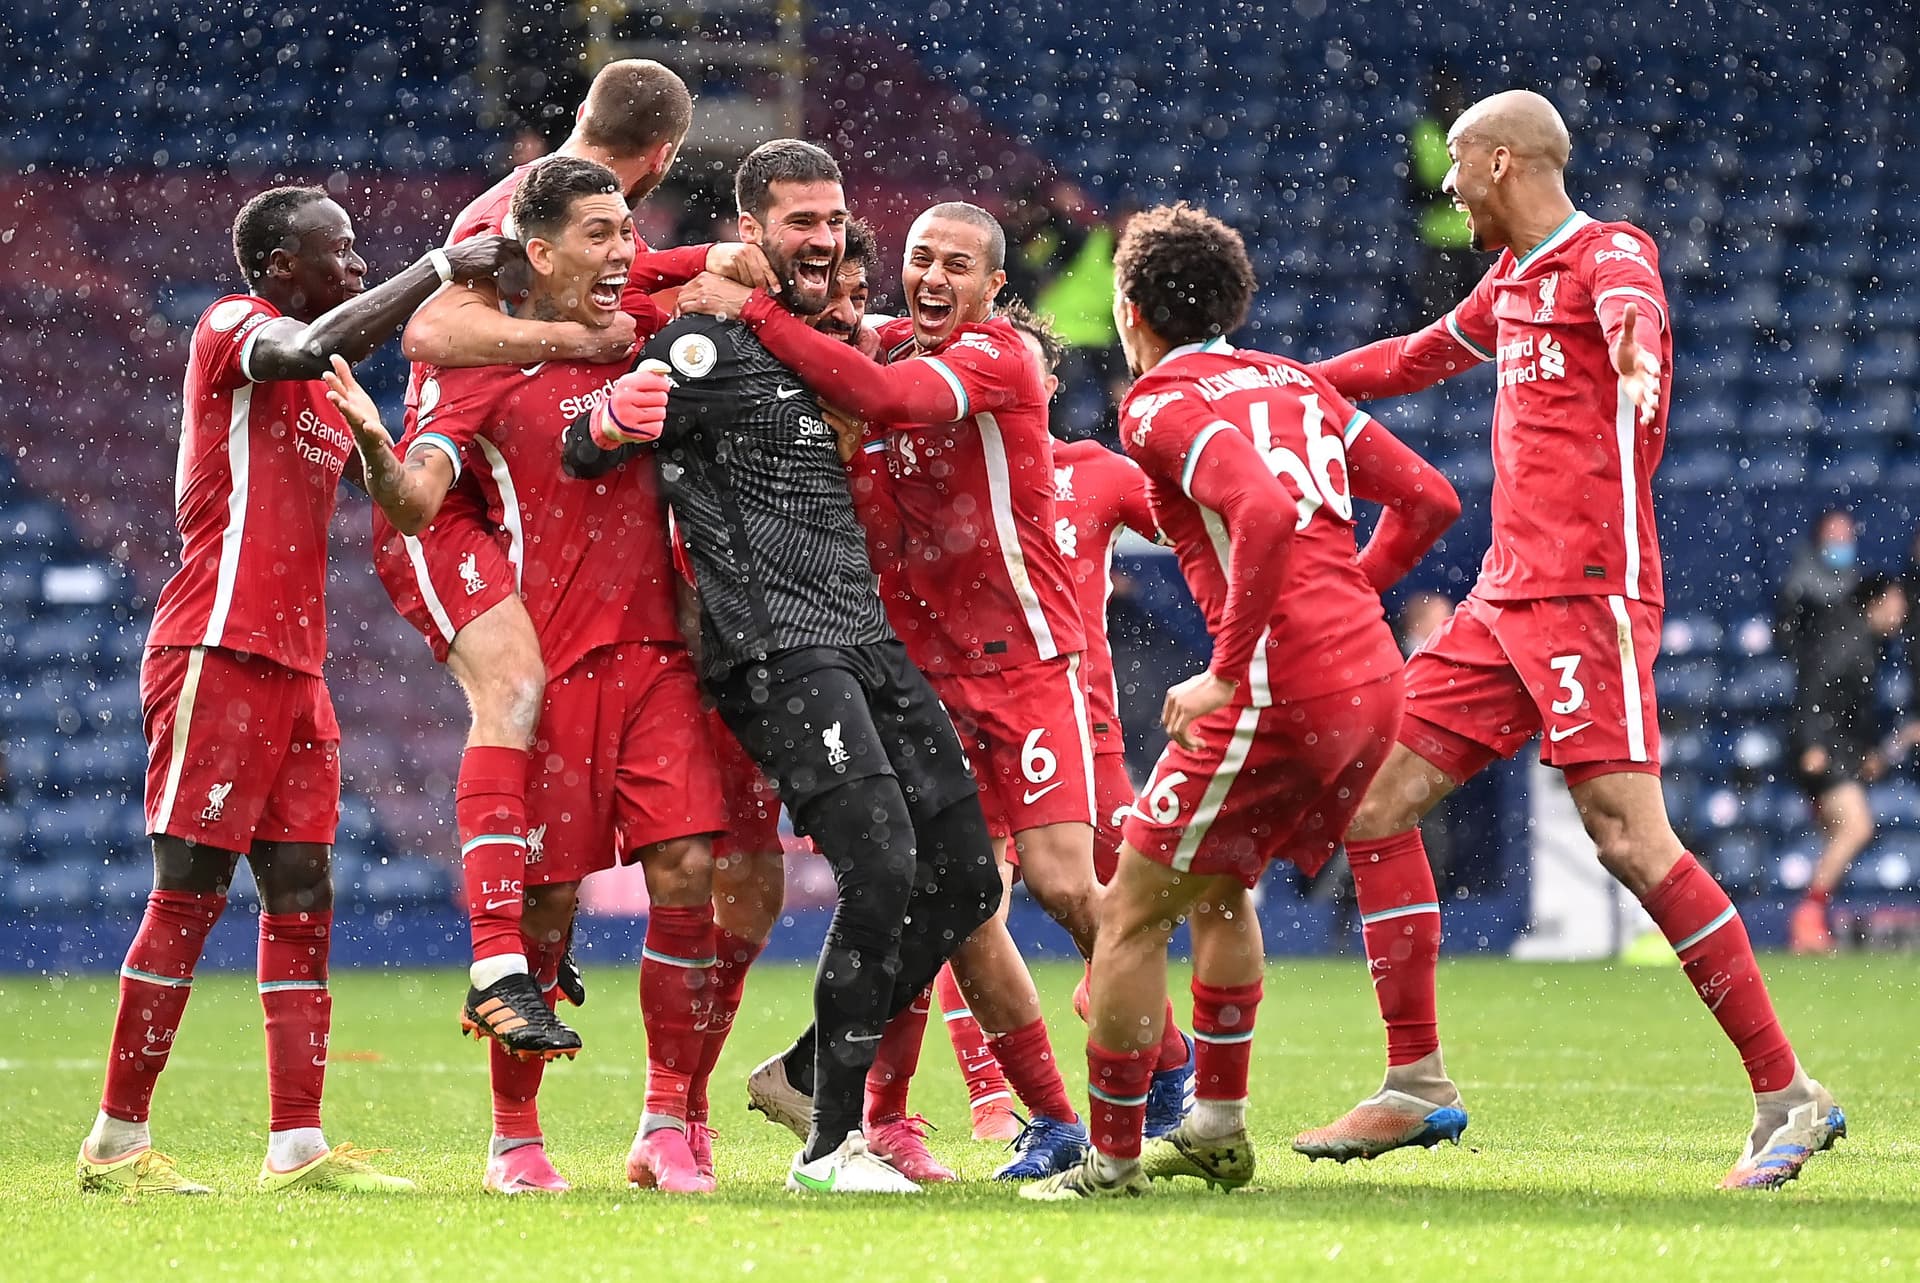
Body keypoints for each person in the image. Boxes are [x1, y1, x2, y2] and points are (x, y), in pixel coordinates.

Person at [1294, 89, 1845, 1191]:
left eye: (1456, 167)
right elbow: (1413, 358)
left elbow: (1635, 313)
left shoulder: (1608, 255)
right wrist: (1282, 382)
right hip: (1503, 603)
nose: (1444, 190)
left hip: (1590, 600)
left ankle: (1792, 1095)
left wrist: (1638, 363)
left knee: (1631, 842)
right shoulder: (1511, 285)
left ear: (1500, 163)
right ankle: (1416, 1083)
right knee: (1371, 800)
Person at [677, 199, 1155, 1180]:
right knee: (960, 904)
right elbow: (831, 331)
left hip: (1022, 666)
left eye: (958, 265)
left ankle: (1175, 1093)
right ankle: (1053, 1124)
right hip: (921, 679)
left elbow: (884, 397)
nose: (933, 277)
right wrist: (714, 274)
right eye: (920, 260)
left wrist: (759, 316)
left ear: (993, 288)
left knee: (1068, 885)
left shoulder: (994, 360)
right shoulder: (878, 340)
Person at [564, 141, 1005, 1194]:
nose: (823, 239)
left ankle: (810, 1069)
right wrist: (602, 422)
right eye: (798, 222)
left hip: (861, 636)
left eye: (834, 219)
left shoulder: (833, 344)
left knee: (967, 876)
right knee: (883, 864)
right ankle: (831, 1144)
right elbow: (594, 411)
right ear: (753, 230)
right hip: (773, 648)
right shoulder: (709, 340)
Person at [78, 186, 516, 1195]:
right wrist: (441, 272)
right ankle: (113, 1141)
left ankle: (296, 1144)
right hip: (215, 647)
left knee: (304, 893)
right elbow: (305, 347)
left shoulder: (333, 392)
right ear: (282, 263)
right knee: (189, 889)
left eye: (365, 250)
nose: (360, 262)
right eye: (344, 249)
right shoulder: (236, 327)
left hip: (295, 667)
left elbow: (404, 495)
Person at [1023, 202, 1459, 1200]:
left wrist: (1229, 661)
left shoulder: (1156, 403)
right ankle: (1217, 1121)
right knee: (1216, 883)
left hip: (1270, 683)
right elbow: (1430, 497)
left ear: (1130, 312)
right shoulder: (1295, 383)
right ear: (1236, 301)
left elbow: (1257, 508)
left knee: (1129, 910)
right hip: (1367, 676)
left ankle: (1115, 1156)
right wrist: (1345, 593)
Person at [331, 156, 729, 1195]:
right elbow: (419, 500)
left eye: (625, 231)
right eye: (597, 235)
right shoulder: (485, 367)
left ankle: (669, 1120)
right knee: (546, 912)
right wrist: (376, 449)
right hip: (556, 662)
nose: (620, 252)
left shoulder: (648, 334)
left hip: (658, 657)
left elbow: (714, 289)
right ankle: (515, 1133)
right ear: (539, 253)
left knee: (691, 874)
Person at [374, 59, 775, 1060]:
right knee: (512, 685)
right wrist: (573, 342)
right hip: (451, 477)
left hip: (508, 470)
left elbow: (638, 280)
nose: (618, 246)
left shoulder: (590, 223)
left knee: (584, 749)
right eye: (602, 239)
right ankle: (498, 960)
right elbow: (431, 326)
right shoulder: (521, 209)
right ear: (663, 155)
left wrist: (700, 269)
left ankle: (530, 947)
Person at [1779, 518, 1910, 951]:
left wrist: (1866, 752)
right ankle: (1807, 916)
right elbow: (1814, 688)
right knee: (1855, 827)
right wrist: (1812, 744)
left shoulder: (1864, 641)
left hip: (1834, 749)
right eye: (1894, 604)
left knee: (1841, 833)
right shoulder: (1847, 637)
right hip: (1822, 750)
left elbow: (1848, 709)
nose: (1900, 613)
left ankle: (1813, 923)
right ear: (1874, 603)